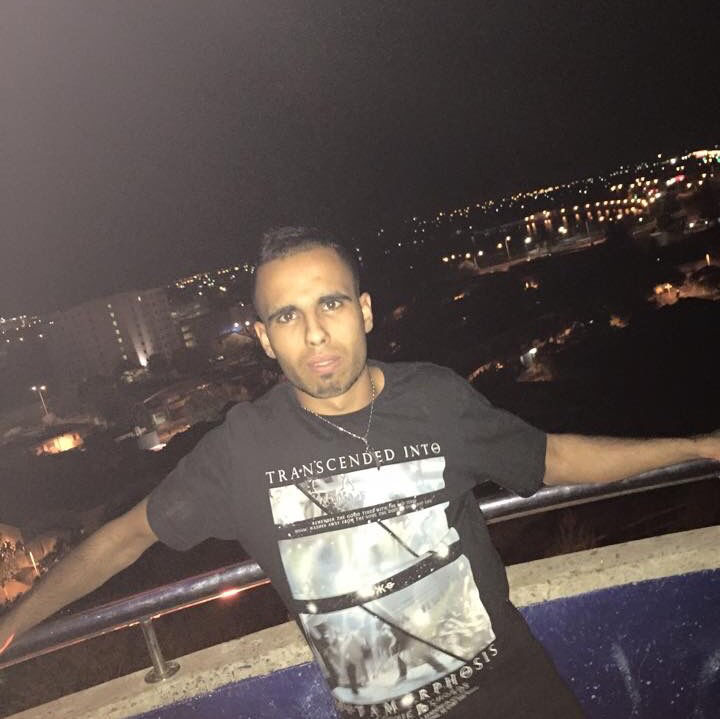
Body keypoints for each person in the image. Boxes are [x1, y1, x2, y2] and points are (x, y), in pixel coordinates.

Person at [1, 226, 718, 718]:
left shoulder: (434, 398)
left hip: (518, 697)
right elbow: (123, 538)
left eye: (331, 302)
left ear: (364, 311)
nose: (315, 331)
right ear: (264, 339)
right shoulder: (240, 451)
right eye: (287, 315)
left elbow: (551, 456)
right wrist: (14, 622)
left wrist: (698, 446)